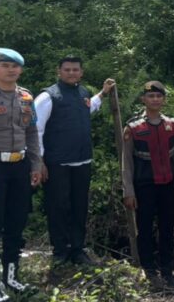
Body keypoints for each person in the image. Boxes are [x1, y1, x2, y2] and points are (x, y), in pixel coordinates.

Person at [34, 55, 115, 265]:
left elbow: (90, 107)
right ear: (59, 71)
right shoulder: (47, 97)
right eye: (67, 69)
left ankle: (77, 250)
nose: (71, 73)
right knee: (58, 207)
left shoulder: (83, 93)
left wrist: (103, 93)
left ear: (81, 72)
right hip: (56, 163)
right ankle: (60, 251)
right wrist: (39, 161)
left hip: (82, 160)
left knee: (80, 207)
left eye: (75, 69)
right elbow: (35, 130)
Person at [0, 48, 42, 302]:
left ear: (21, 70)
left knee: (16, 224)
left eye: (15, 66)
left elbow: (31, 133)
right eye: (5, 65)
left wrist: (35, 165)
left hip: (20, 168)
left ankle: (11, 277)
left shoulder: (26, 97)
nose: (10, 70)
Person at [122, 81, 174, 291]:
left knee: (167, 228)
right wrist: (128, 191)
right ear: (143, 99)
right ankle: (149, 273)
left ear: (164, 99)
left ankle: (167, 273)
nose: (155, 100)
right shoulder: (133, 127)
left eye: (159, 96)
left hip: (167, 185)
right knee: (144, 229)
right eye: (151, 96)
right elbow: (126, 163)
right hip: (144, 186)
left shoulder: (171, 125)